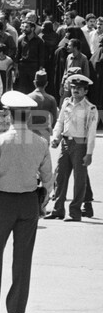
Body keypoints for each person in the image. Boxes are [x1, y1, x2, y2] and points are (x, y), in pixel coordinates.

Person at [0, 91, 53, 313]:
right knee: (23, 256)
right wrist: (43, 202)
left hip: (4, 201)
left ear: (8, 115)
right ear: (28, 116)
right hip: (28, 201)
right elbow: (48, 178)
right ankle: (16, 309)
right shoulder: (40, 143)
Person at [47, 74, 97, 222]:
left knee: (79, 180)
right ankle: (58, 210)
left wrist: (89, 153)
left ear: (85, 91)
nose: (75, 91)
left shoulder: (90, 108)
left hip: (80, 145)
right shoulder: (66, 103)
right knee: (60, 176)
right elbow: (60, 122)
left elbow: (92, 133)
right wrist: (56, 137)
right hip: (65, 143)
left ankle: (75, 212)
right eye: (74, 88)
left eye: (79, 89)